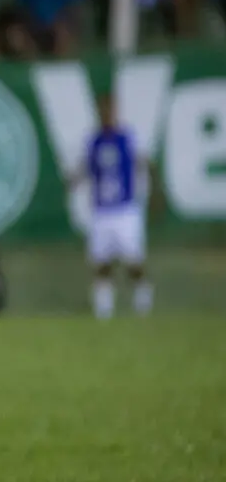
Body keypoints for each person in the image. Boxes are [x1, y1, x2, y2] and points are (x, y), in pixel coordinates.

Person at [69, 94, 154, 319]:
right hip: (101, 211)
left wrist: (155, 192)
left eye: (110, 110)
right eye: (103, 110)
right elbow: (85, 166)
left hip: (125, 209)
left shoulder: (128, 138)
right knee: (101, 262)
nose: (106, 115)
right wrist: (74, 180)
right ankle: (103, 311)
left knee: (133, 260)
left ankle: (143, 301)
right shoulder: (93, 141)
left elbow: (144, 163)